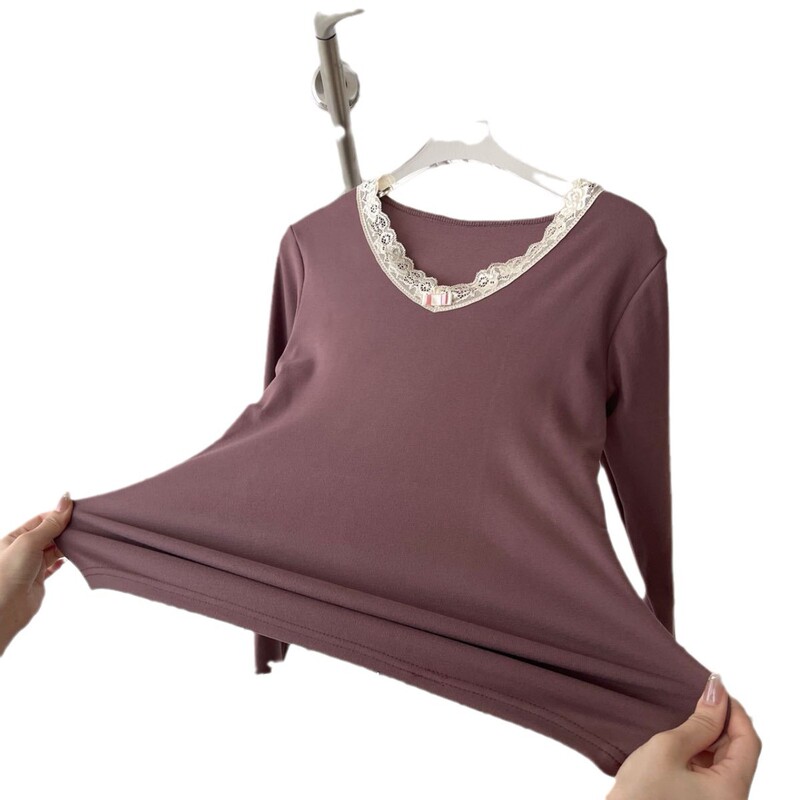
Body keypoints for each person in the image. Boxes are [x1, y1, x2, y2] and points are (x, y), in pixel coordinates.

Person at [0, 495, 762, 797]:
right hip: (317, 570)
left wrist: (647, 638)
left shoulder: (614, 246)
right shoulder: (316, 241)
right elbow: (284, 426)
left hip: (529, 602)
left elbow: (638, 460)